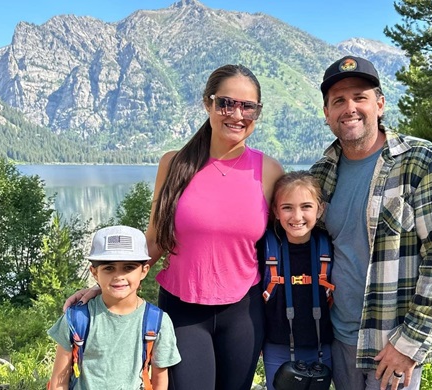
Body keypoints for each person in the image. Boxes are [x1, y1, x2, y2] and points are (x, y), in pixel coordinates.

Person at [64, 64, 284, 390]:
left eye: (247, 106)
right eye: (226, 103)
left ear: (257, 112)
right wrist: (111, 282)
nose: (237, 114)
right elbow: (155, 241)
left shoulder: (268, 171)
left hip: (244, 313)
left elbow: (292, 236)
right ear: (208, 103)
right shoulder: (174, 164)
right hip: (182, 311)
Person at [310, 56, 432, 390]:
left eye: (360, 97)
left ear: (379, 104)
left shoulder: (422, 161)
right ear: (327, 114)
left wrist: (409, 344)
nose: (349, 107)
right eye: (338, 101)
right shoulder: (320, 175)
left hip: (392, 344)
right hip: (338, 339)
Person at [48, 225, 181, 390]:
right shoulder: (77, 319)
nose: (119, 276)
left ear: (144, 271)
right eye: (109, 268)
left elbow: (160, 381)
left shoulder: (158, 322)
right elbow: (58, 382)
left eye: (129, 267)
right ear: (95, 273)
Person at [261, 171, 333, 389]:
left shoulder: (328, 246)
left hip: (323, 347)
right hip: (277, 348)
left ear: (320, 209)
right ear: (275, 210)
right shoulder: (266, 248)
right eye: (287, 208)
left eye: (306, 207)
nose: (297, 216)